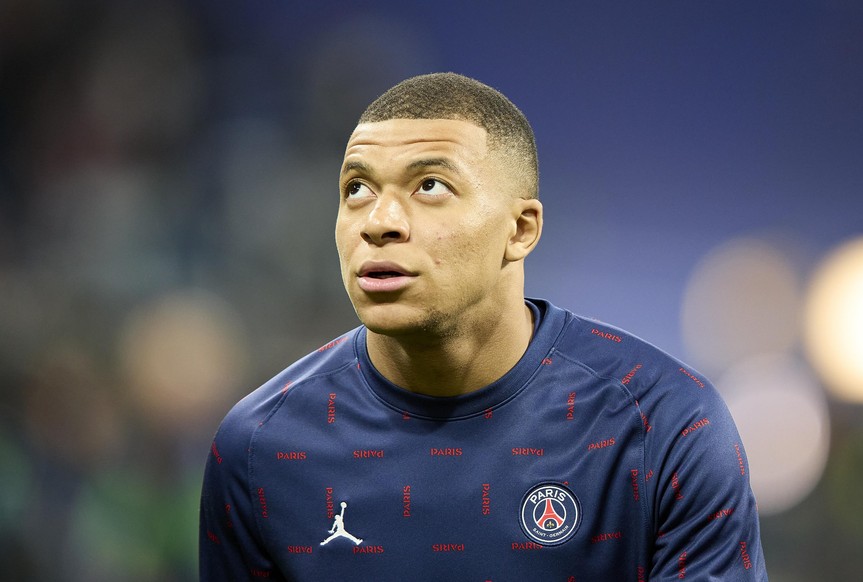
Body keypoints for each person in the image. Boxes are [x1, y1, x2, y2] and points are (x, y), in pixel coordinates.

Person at [199, 72, 768, 581]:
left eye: (429, 186)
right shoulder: (259, 448)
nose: (379, 222)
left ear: (520, 229)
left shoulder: (668, 427)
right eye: (357, 189)